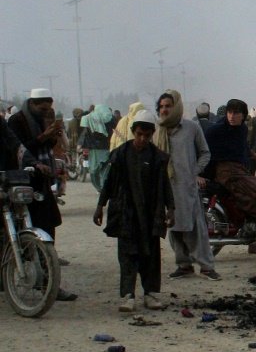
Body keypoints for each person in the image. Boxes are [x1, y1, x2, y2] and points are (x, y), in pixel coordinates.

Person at [94, 110, 174, 312]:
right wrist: (100, 206)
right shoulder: (121, 154)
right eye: (139, 134)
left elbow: (165, 185)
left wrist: (170, 209)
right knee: (127, 255)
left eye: (147, 135)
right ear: (132, 132)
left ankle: (151, 294)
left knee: (151, 255)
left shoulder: (157, 157)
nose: (142, 139)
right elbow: (110, 183)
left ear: (152, 134)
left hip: (150, 214)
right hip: (126, 213)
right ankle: (128, 296)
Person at [7, 88, 77, 300]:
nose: (44, 111)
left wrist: (50, 136)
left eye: (48, 108)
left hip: (41, 181)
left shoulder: (40, 120)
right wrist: (42, 137)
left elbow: (28, 148)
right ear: (33, 104)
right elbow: (18, 151)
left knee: (48, 226)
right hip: (20, 183)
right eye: (42, 108)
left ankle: (48, 281)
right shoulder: (17, 122)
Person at [155, 90, 220, 281]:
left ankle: (207, 267)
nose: (165, 110)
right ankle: (183, 265)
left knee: (195, 228)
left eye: (168, 106)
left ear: (177, 107)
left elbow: (205, 153)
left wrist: (194, 172)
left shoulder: (191, 127)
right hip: (166, 186)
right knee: (173, 227)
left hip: (187, 186)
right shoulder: (158, 130)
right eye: (162, 107)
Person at [204, 99, 256, 251]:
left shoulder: (242, 129)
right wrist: (199, 174)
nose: (232, 116)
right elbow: (202, 152)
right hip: (226, 173)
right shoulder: (216, 130)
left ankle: (255, 242)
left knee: (252, 199)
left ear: (243, 115)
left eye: (236, 113)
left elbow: (244, 148)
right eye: (230, 112)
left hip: (240, 170)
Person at [79, 104, 116, 193]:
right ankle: (103, 188)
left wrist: (84, 145)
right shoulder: (110, 119)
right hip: (104, 149)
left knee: (95, 171)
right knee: (102, 171)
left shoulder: (89, 119)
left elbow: (86, 134)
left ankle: (102, 188)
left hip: (97, 150)